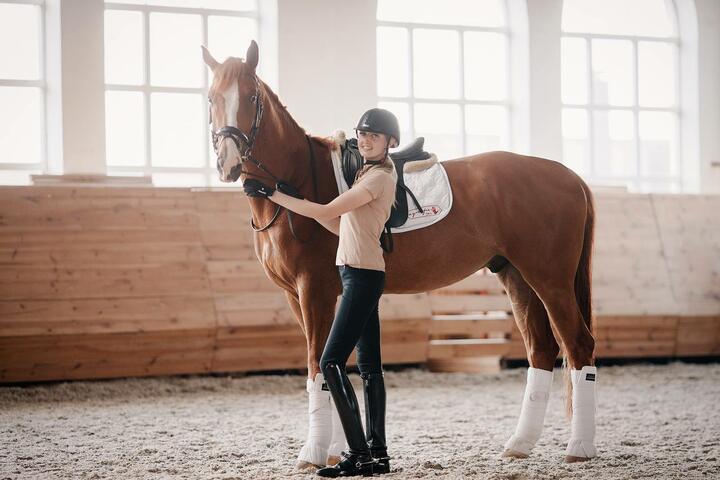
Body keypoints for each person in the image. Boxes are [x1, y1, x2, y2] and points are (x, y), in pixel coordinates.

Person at [242, 108, 400, 477]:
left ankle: (359, 453)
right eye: (361, 134)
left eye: (373, 136)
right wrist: (294, 201)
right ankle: (378, 454)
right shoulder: (368, 172)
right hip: (361, 274)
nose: (364, 140)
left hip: (360, 278)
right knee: (370, 369)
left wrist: (276, 194)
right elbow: (335, 222)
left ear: (391, 142)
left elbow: (326, 207)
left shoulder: (377, 176)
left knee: (330, 363)